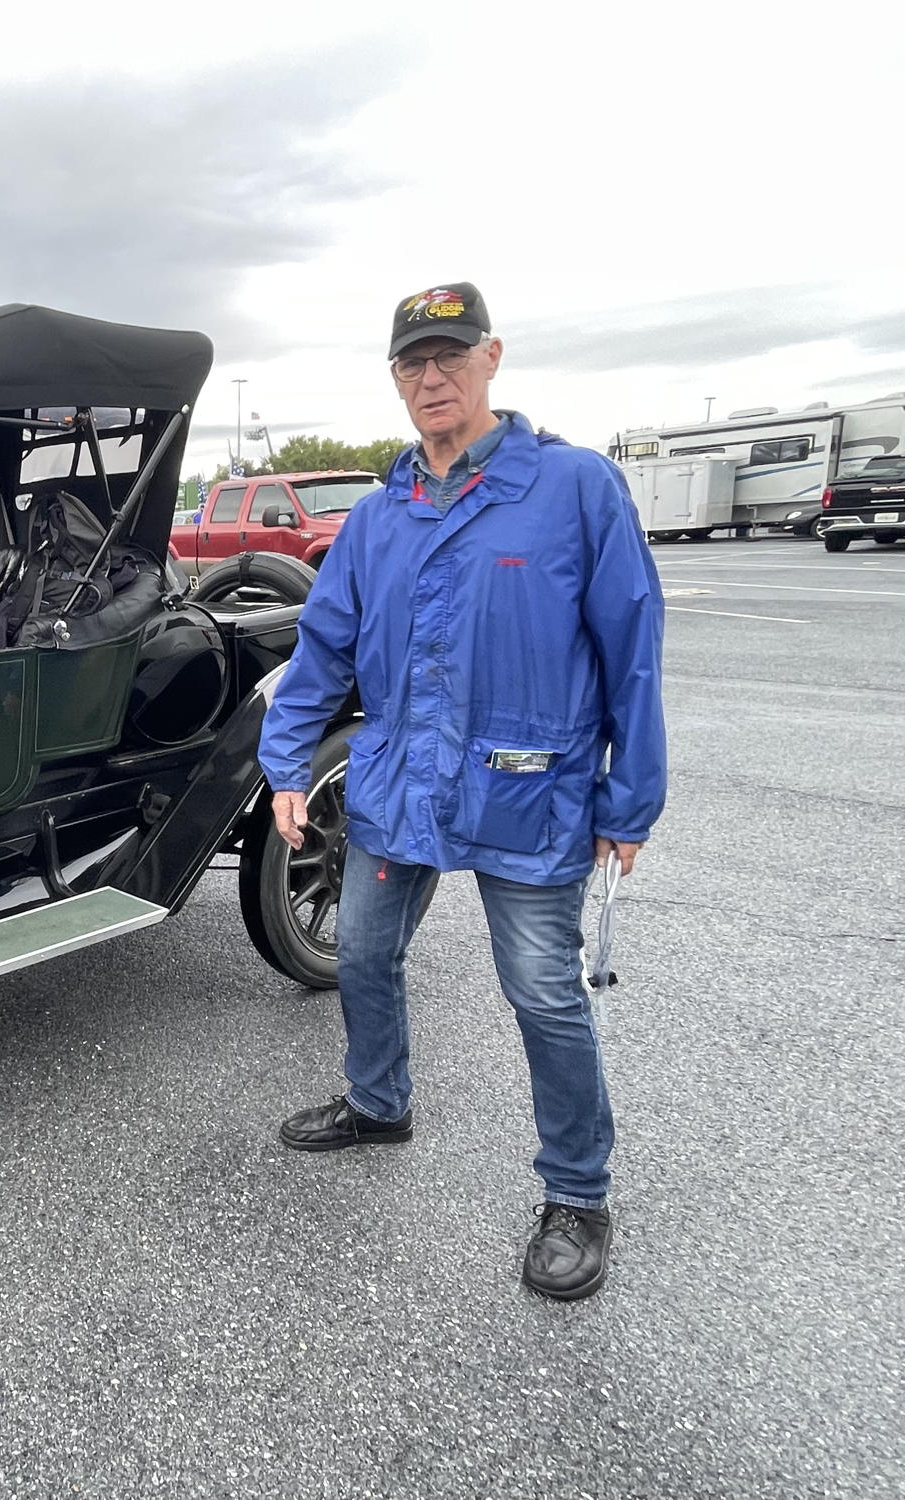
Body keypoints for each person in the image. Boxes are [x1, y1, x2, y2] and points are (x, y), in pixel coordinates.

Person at [257, 282, 666, 1301]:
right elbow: (322, 648)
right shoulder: (377, 517)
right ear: (394, 378)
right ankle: (377, 1103)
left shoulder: (573, 488)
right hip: (401, 786)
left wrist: (630, 798)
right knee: (360, 952)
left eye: (449, 355)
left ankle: (576, 1192)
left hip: (529, 791)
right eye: (412, 362)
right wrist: (285, 763)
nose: (430, 377)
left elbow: (632, 648)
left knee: (540, 991)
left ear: (491, 357)